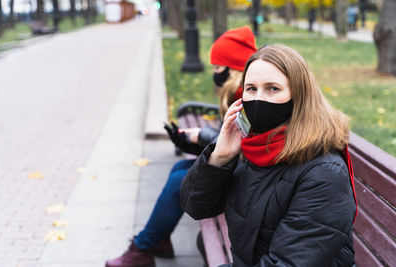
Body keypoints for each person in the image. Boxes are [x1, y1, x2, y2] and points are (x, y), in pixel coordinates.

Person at [181, 44, 358, 267]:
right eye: (251, 89)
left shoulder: (324, 172)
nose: (258, 99)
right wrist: (220, 157)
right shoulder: (254, 146)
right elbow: (195, 206)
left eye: (272, 88)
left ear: (299, 95)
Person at [105, 26, 257, 267]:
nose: (215, 74)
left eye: (218, 68)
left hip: (250, 179)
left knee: (181, 181)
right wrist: (192, 141)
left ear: (233, 67)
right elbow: (233, 143)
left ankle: (143, 248)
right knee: (181, 168)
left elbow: (240, 148)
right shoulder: (238, 91)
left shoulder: (246, 95)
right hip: (241, 169)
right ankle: (158, 238)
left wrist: (201, 136)